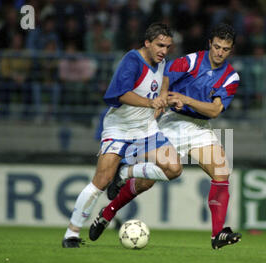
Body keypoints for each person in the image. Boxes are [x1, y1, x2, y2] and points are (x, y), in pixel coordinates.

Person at [89, 23, 242, 250]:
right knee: (146, 183)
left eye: (225, 49)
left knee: (221, 171)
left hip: (199, 126)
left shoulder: (231, 77)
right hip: (173, 122)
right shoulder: (192, 61)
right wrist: (164, 97)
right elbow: (166, 74)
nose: (220, 53)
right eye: (217, 46)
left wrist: (186, 99)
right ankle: (108, 211)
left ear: (231, 50)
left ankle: (217, 234)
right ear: (209, 44)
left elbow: (215, 111)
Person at [62, 22, 182, 248]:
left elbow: (161, 83)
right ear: (147, 43)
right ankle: (71, 233)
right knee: (100, 182)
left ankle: (125, 170)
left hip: (146, 129)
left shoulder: (162, 62)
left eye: (167, 46)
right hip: (119, 129)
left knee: (174, 169)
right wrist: (150, 102)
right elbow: (118, 94)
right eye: (159, 45)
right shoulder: (132, 61)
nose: (164, 51)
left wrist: (164, 99)